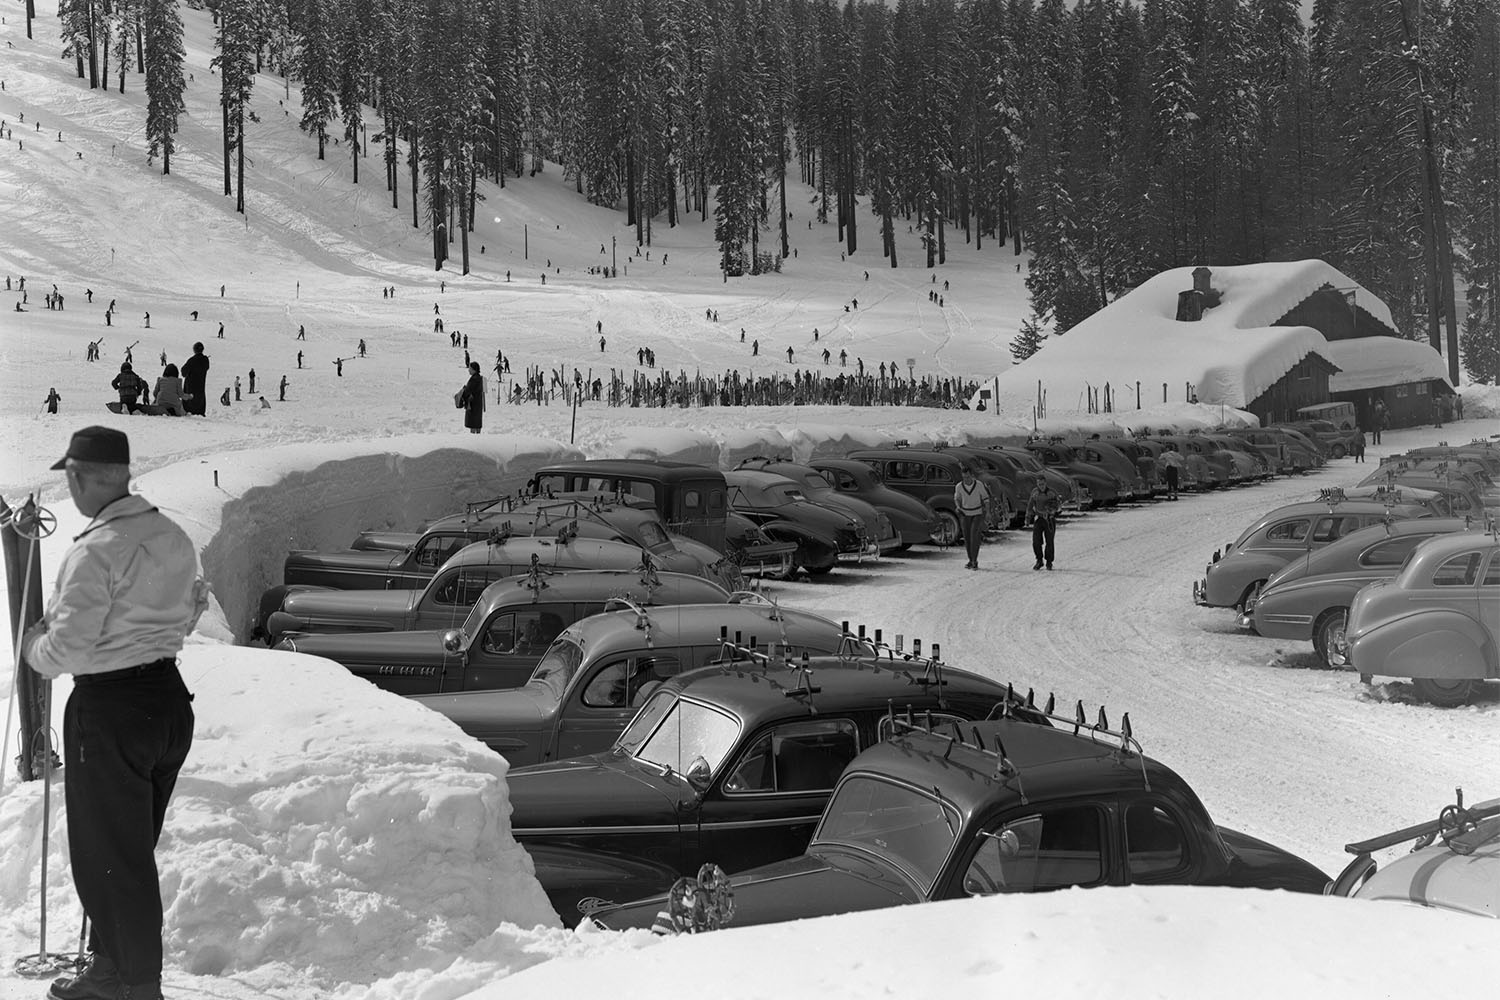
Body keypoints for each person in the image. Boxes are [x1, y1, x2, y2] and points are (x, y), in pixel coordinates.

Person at [22, 427, 205, 1000]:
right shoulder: (173, 535)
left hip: (110, 708)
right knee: (126, 850)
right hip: (167, 700)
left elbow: (67, 651)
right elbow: (191, 611)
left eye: (69, 478)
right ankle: (109, 970)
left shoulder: (96, 549)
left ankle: (134, 986)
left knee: (110, 860)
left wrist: (33, 646)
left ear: (79, 477)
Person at [953, 466, 990, 570]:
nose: (966, 479)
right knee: (967, 538)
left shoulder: (979, 485)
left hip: (977, 513)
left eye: (968, 477)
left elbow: (986, 498)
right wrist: (958, 506)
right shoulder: (959, 486)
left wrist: (987, 512)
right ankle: (970, 559)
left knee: (974, 536)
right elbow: (957, 498)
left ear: (972, 476)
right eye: (964, 477)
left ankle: (974, 560)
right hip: (965, 514)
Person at [1026, 479, 1061, 570]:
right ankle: (1039, 560)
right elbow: (1030, 505)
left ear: (1046, 483)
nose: (1041, 486)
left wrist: (1053, 509)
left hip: (1049, 519)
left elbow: (1058, 505)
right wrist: (1028, 517)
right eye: (1039, 484)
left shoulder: (1051, 493)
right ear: (1037, 484)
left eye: (1043, 484)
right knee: (1036, 541)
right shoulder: (1034, 492)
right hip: (1039, 518)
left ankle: (1049, 562)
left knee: (1049, 541)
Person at [181, 342, 209, 416]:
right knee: (200, 398)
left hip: (191, 386)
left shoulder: (192, 360)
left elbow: (183, 372)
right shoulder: (205, 360)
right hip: (201, 385)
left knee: (190, 401)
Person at [458, 361, 485, 434]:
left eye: (470, 368)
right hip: (478, 403)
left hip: (472, 404)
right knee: (477, 423)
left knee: (473, 423)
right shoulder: (480, 378)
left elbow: (468, 391)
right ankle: (478, 437)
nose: (468, 370)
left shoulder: (473, 379)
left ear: (474, 369)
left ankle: (473, 440)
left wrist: (462, 394)